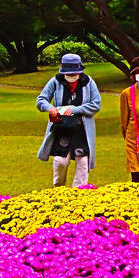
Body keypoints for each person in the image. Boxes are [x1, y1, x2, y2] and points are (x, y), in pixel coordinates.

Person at [36, 53, 101, 187]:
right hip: (62, 128)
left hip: (81, 129)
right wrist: (50, 108)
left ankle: (79, 193)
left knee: (83, 163)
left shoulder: (88, 82)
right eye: (68, 74)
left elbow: (96, 104)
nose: (71, 76)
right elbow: (41, 100)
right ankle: (59, 190)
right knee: (60, 161)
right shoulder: (55, 81)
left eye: (74, 73)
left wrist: (74, 109)